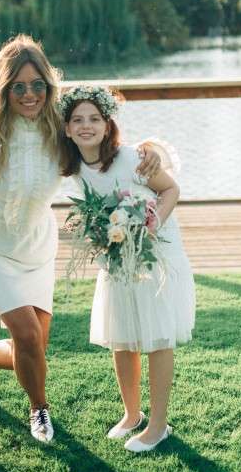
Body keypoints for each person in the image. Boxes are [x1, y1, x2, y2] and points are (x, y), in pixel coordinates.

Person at [0, 35, 164, 443]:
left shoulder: (59, 123)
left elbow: (99, 134)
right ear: (3, 88)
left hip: (39, 248)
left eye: (37, 84)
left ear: (48, 86)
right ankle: (39, 409)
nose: (28, 94)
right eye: (18, 86)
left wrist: (149, 149)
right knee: (26, 336)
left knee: (34, 345)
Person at [59, 84, 195, 452]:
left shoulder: (133, 157)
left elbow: (170, 190)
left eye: (94, 118)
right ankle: (132, 414)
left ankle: (158, 425)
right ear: (66, 129)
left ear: (107, 124)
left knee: (156, 337)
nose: (86, 126)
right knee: (123, 337)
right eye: (77, 120)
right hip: (117, 256)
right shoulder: (74, 166)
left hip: (154, 253)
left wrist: (150, 227)